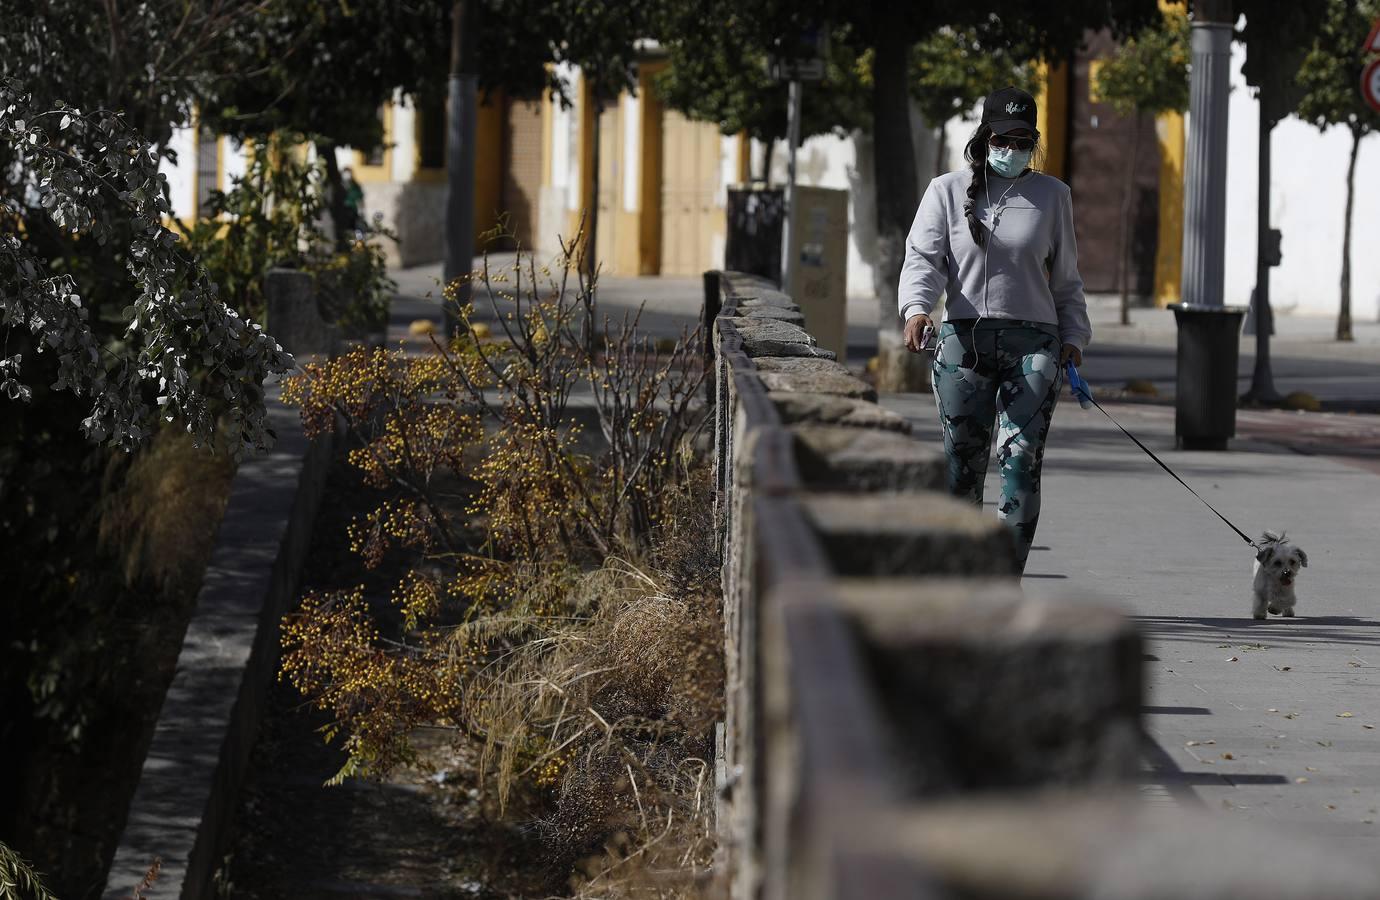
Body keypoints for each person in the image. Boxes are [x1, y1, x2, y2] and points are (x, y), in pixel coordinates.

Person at [897, 86, 1091, 574]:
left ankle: (1004, 579)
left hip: (1035, 345)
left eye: (1023, 138)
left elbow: (1066, 277)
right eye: (1003, 137)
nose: (1012, 147)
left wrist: (1073, 337)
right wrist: (916, 310)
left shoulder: (1053, 196)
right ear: (985, 138)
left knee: (1022, 459)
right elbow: (924, 259)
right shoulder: (945, 191)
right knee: (963, 467)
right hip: (964, 342)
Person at [340, 166, 365, 236]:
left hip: (353, 212)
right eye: (345, 173)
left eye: (348, 173)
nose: (347, 175)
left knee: (355, 230)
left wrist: (361, 210)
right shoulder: (339, 186)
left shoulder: (355, 186)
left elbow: (360, 199)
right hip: (341, 213)